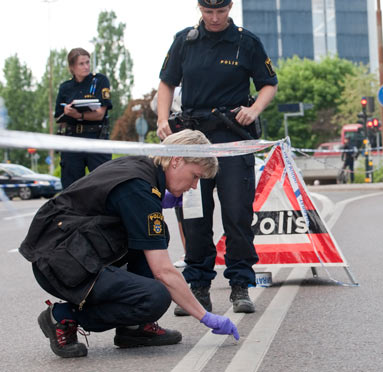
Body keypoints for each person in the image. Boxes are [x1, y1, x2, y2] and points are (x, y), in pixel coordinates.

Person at [19, 130, 239, 359]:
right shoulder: (139, 188)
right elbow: (163, 271)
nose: (194, 186)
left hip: (70, 250)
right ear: (177, 160)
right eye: (195, 176)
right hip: (61, 263)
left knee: (157, 236)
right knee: (156, 296)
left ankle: (134, 328)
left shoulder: (142, 169)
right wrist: (205, 316)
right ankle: (62, 316)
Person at [156, 0, 277, 316]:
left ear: (230, 8)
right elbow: (167, 82)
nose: (214, 17)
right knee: (194, 215)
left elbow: (269, 84)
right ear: (200, 9)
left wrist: (254, 109)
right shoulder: (186, 41)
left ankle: (240, 284)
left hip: (233, 137)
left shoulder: (245, 42)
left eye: (220, 10)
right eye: (208, 10)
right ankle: (198, 285)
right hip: (194, 139)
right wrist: (162, 120)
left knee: (238, 213)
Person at [55, 48, 112, 189]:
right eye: (81, 64)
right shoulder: (65, 87)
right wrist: (67, 111)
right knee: (71, 186)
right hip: (72, 139)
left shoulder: (99, 81)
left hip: (96, 137)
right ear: (72, 67)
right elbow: (58, 116)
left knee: (103, 182)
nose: (86, 66)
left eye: (87, 62)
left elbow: (100, 113)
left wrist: (79, 115)